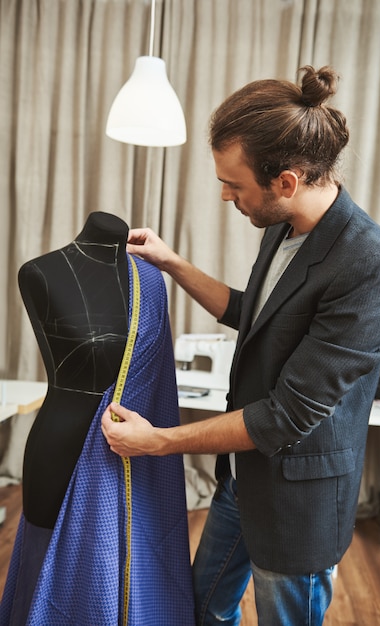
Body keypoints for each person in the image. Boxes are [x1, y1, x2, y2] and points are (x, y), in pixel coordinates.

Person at [101, 66, 380, 625]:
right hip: (242, 481)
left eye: (233, 184)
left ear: (285, 182)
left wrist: (158, 442)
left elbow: (287, 416)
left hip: (297, 503)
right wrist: (173, 264)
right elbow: (255, 315)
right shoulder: (283, 225)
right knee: (205, 608)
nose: (224, 195)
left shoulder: (369, 264)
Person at [0, 212, 195, 625]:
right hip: (61, 450)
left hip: (134, 445)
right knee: (48, 571)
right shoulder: (40, 273)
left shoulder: (150, 282)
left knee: (119, 570)